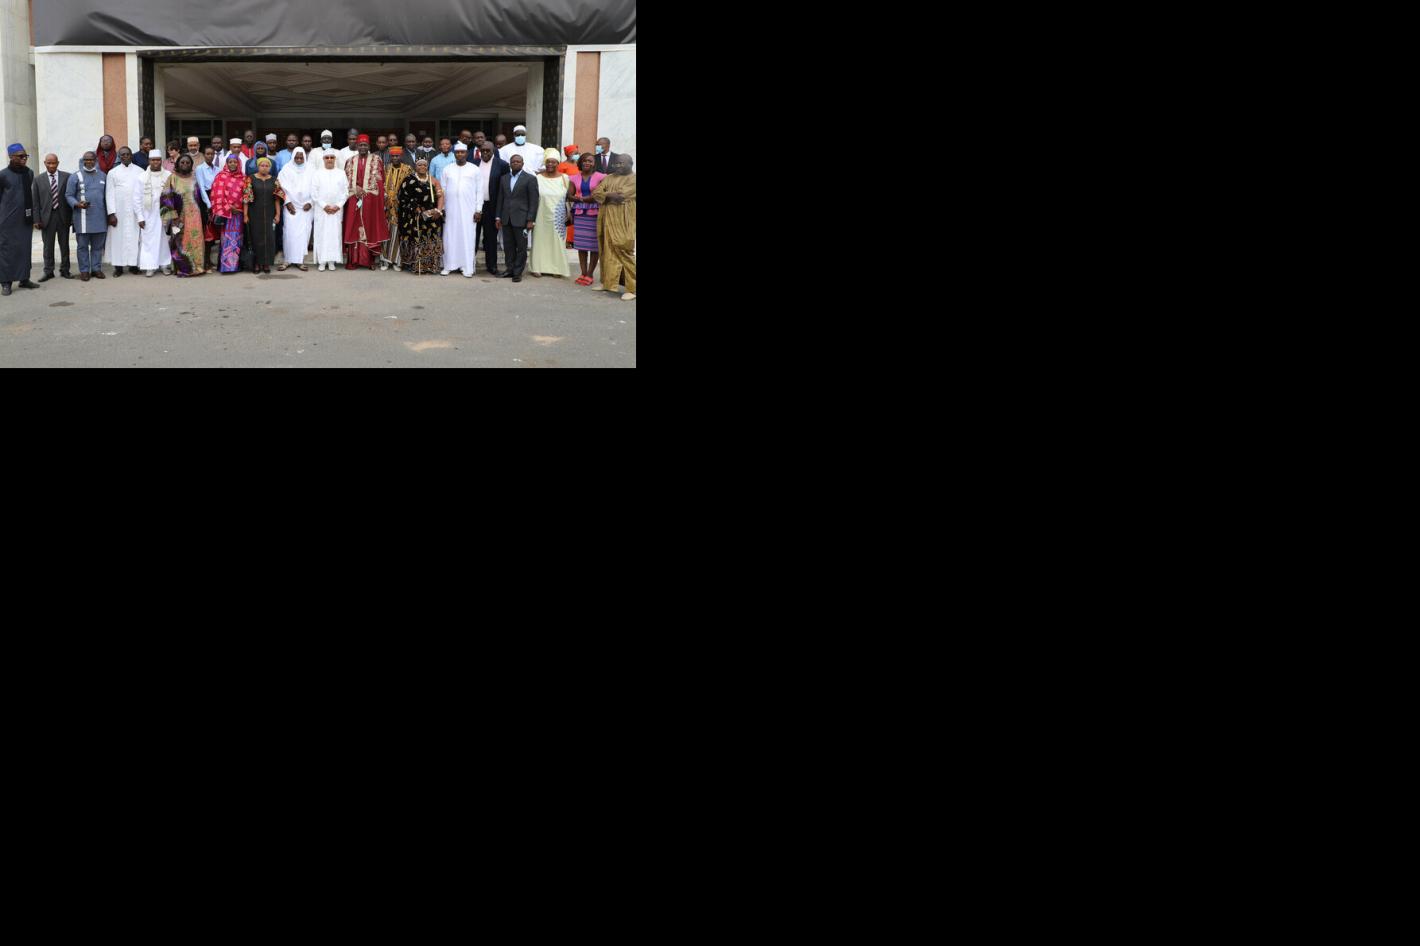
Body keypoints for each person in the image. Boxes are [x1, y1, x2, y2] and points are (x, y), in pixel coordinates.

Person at [592, 153, 635, 300]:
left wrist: (606, 195)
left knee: (624, 249)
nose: (618, 166)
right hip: (605, 219)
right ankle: (607, 282)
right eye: (616, 163)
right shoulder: (609, 177)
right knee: (606, 249)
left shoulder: (633, 179)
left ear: (631, 164)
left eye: (622, 163)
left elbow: (621, 196)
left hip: (623, 221)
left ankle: (632, 288)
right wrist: (610, 195)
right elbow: (596, 193)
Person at [342, 134, 387, 269]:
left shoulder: (376, 160)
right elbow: (345, 180)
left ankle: (369, 261)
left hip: (370, 200)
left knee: (369, 227)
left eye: (365, 145)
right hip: (353, 199)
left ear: (369, 146)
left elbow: (380, 181)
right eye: (360, 145)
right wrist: (355, 187)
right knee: (354, 227)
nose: (362, 147)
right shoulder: (350, 161)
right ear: (357, 146)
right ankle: (353, 260)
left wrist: (366, 191)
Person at [439, 143, 483, 277]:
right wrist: (442, 208)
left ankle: (467, 267)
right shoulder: (447, 169)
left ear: (466, 153)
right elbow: (442, 190)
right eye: (457, 152)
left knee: (467, 237)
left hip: (468, 210)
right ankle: (448, 265)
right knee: (449, 236)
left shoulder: (474, 169)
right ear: (454, 154)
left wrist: (478, 210)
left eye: (462, 152)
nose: (460, 154)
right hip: (450, 209)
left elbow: (479, 191)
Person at [0, 143, 38, 296]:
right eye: (20, 156)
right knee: (7, 251)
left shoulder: (29, 173)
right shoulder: (3, 175)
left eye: (25, 156)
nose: (24, 159)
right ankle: (6, 282)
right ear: (11, 157)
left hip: (25, 219)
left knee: (24, 249)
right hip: (7, 221)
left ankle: (24, 279)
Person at [494, 154, 538, 283]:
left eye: (518, 161)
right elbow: (500, 198)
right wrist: (498, 217)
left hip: (522, 219)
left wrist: (531, 220)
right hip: (506, 218)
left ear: (523, 164)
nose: (515, 163)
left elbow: (534, 201)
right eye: (513, 161)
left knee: (521, 247)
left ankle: (517, 272)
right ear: (510, 164)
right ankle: (510, 269)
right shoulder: (504, 178)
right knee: (508, 247)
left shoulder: (530, 179)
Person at [65, 151, 108, 281]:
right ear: (83, 161)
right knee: (82, 246)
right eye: (86, 160)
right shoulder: (75, 176)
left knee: (97, 246)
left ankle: (96, 269)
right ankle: (84, 271)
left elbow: (107, 196)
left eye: (91, 159)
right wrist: (77, 204)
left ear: (96, 160)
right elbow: (68, 195)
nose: (89, 162)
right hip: (82, 218)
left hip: (100, 217)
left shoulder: (103, 176)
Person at [160, 154, 205, 276]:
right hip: (179, 216)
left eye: (188, 163)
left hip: (195, 216)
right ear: (178, 164)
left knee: (195, 240)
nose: (185, 164)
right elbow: (165, 197)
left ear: (191, 165)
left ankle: (197, 267)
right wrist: (172, 216)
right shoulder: (172, 178)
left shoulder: (194, 178)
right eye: (182, 162)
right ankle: (183, 268)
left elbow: (200, 197)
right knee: (179, 241)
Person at [398, 158, 445, 274]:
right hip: (414, 216)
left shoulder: (433, 180)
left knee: (431, 239)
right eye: (419, 165)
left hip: (431, 215)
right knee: (416, 239)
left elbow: (440, 196)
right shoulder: (409, 180)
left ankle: (430, 266)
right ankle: (416, 265)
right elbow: (403, 198)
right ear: (415, 167)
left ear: (427, 167)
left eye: (424, 165)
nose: (422, 167)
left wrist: (438, 211)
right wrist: (414, 208)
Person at [32, 152, 73, 281]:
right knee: (48, 246)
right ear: (45, 163)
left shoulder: (67, 177)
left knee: (65, 245)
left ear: (58, 163)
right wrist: (36, 219)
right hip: (46, 218)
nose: (51, 165)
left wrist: (72, 218)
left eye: (54, 163)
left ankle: (65, 270)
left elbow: (70, 197)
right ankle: (48, 271)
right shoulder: (38, 180)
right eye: (49, 163)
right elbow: (35, 202)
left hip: (63, 217)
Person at [103, 145, 144, 276]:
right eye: (123, 154)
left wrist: (141, 214)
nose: (125, 156)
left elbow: (142, 192)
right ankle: (118, 267)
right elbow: (109, 193)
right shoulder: (112, 172)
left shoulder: (140, 171)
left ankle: (133, 265)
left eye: (128, 154)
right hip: (118, 212)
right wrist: (111, 214)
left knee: (134, 238)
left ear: (131, 155)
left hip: (134, 211)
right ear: (119, 157)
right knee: (118, 239)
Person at [529, 148, 569, 278]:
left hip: (558, 216)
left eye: (553, 162)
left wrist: (569, 214)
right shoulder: (537, 178)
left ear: (558, 163)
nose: (550, 164)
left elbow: (568, 198)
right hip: (540, 215)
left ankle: (557, 269)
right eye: (548, 162)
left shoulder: (565, 178)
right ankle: (537, 267)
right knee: (540, 241)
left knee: (557, 242)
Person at [567, 151, 604, 286]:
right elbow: (569, 195)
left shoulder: (601, 177)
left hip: (595, 214)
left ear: (594, 163)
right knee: (581, 245)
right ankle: (583, 273)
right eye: (584, 160)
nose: (587, 163)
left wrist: (581, 198)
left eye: (590, 161)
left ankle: (590, 274)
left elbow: (599, 195)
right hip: (580, 214)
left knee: (594, 245)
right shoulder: (574, 178)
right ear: (580, 163)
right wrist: (582, 199)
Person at [277, 147, 314, 272]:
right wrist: (287, 202)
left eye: (301, 157)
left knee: (304, 233)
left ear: (304, 157)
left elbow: (316, 187)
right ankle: (287, 260)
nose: (298, 160)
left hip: (306, 207)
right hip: (290, 206)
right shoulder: (286, 169)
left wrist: (310, 202)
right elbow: (280, 187)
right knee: (289, 233)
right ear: (292, 157)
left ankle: (300, 260)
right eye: (296, 157)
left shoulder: (311, 169)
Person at [474, 142, 508, 277]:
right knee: (473, 236)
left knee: (491, 238)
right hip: (475, 206)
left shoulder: (502, 165)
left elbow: (505, 188)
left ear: (493, 151)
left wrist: (501, 211)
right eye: (483, 150)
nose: (485, 153)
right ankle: (469, 264)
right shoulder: (474, 163)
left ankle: (492, 266)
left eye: (488, 150)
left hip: (492, 207)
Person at [209, 153, 247, 274]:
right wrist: (229, 207)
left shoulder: (243, 177)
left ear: (239, 163)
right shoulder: (220, 176)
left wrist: (238, 208)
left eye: (235, 162)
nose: (232, 164)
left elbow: (246, 195)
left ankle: (235, 266)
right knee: (226, 239)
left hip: (239, 214)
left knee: (237, 239)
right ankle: (226, 267)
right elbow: (216, 194)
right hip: (226, 214)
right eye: (230, 162)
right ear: (226, 164)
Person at [244, 156, 282, 274]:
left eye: (267, 166)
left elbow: (277, 199)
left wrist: (278, 214)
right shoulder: (251, 179)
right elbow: (246, 198)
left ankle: (266, 263)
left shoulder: (274, 180)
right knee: (256, 237)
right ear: (258, 166)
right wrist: (245, 215)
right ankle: (257, 263)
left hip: (270, 213)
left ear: (270, 167)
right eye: (262, 165)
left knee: (269, 238)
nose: (264, 168)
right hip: (254, 213)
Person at [136, 149, 171, 276]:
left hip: (164, 213)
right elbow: (136, 198)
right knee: (148, 240)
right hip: (148, 214)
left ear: (161, 161)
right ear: (149, 161)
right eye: (153, 160)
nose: (155, 162)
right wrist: (140, 217)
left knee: (164, 240)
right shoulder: (141, 177)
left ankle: (164, 265)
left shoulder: (168, 175)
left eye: (158, 160)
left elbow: (173, 196)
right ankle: (149, 266)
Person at [311, 151, 347, 271]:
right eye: (327, 157)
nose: (329, 159)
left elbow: (345, 192)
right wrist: (324, 206)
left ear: (335, 159)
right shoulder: (317, 174)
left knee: (334, 235)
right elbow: (314, 192)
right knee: (321, 234)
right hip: (322, 210)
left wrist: (338, 206)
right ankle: (322, 261)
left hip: (336, 211)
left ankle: (332, 261)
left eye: (332, 157)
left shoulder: (341, 173)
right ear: (323, 159)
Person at [380, 146, 413, 271]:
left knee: (398, 233)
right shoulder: (385, 168)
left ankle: (396, 261)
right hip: (387, 206)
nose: (395, 158)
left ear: (401, 156)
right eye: (393, 156)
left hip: (401, 206)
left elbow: (410, 186)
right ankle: (385, 261)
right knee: (386, 232)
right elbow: (380, 184)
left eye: (397, 156)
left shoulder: (407, 169)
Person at [195, 145, 220, 269]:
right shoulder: (200, 168)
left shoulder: (217, 169)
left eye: (212, 154)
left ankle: (211, 261)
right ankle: (206, 261)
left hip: (216, 199)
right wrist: (209, 205)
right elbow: (201, 187)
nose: (210, 156)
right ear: (204, 155)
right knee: (207, 231)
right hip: (206, 200)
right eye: (208, 154)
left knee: (215, 231)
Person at [558, 145, 580, 248]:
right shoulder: (562, 166)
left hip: (578, 196)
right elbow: (559, 180)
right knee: (568, 218)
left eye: (578, 153)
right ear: (568, 154)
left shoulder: (579, 165)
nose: (577, 155)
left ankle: (575, 240)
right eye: (575, 153)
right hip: (566, 196)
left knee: (576, 219)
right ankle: (568, 240)